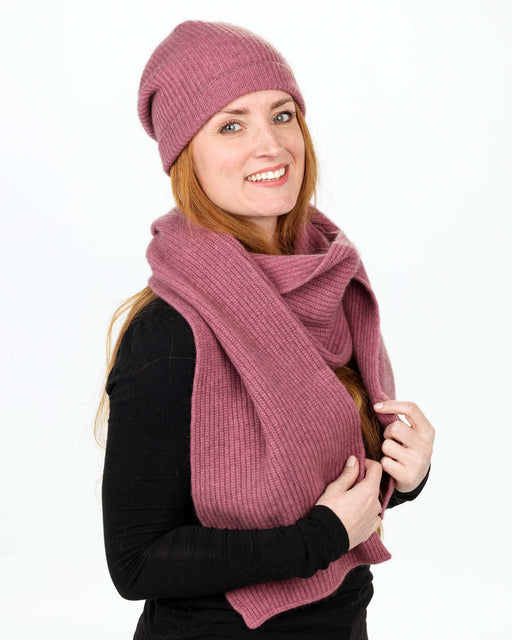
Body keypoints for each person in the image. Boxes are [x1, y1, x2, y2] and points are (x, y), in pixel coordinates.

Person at [95, 20, 435, 640]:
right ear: (185, 157)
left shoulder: (331, 283)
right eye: (231, 126)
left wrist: (403, 476)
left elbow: (338, 490)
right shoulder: (168, 331)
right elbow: (137, 562)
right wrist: (320, 538)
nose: (271, 146)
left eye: (282, 116)